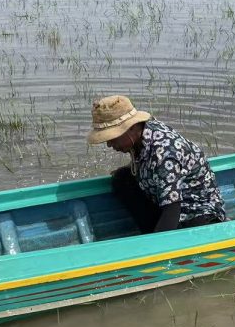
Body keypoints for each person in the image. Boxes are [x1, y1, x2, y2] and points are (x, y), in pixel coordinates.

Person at [87, 95, 227, 234]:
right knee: (122, 179)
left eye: (112, 137)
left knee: (188, 229)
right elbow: (146, 160)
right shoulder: (144, 131)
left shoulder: (165, 155)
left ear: (132, 127)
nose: (109, 144)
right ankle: (151, 233)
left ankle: (155, 239)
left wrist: (154, 249)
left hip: (194, 211)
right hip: (163, 200)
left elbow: (172, 210)